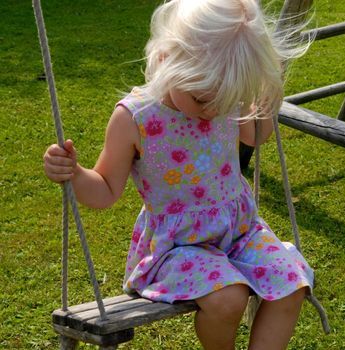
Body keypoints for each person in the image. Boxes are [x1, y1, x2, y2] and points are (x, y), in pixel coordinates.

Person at [43, 0, 313, 349]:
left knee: (292, 283)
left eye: (227, 99)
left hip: (241, 231)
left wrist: (267, 95)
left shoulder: (220, 90)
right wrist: (74, 173)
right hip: (178, 247)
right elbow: (106, 189)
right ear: (167, 60)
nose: (213, 111)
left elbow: (254, 135)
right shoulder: (136, 117)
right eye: (201, 99)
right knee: (229, 298)